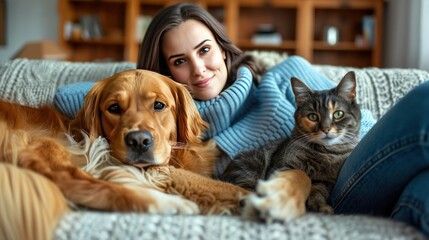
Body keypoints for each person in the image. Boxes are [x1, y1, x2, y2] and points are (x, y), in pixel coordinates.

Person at [54, 2, 429, 236]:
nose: (200, 70)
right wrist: (143, 90)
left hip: (353, 171)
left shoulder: (284, 76)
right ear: (162, 71)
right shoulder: (170, 120)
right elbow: (67, 97)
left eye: (205, 50)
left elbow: (368, 131)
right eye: (179, 62)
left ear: (222, 47)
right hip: (331, 199)